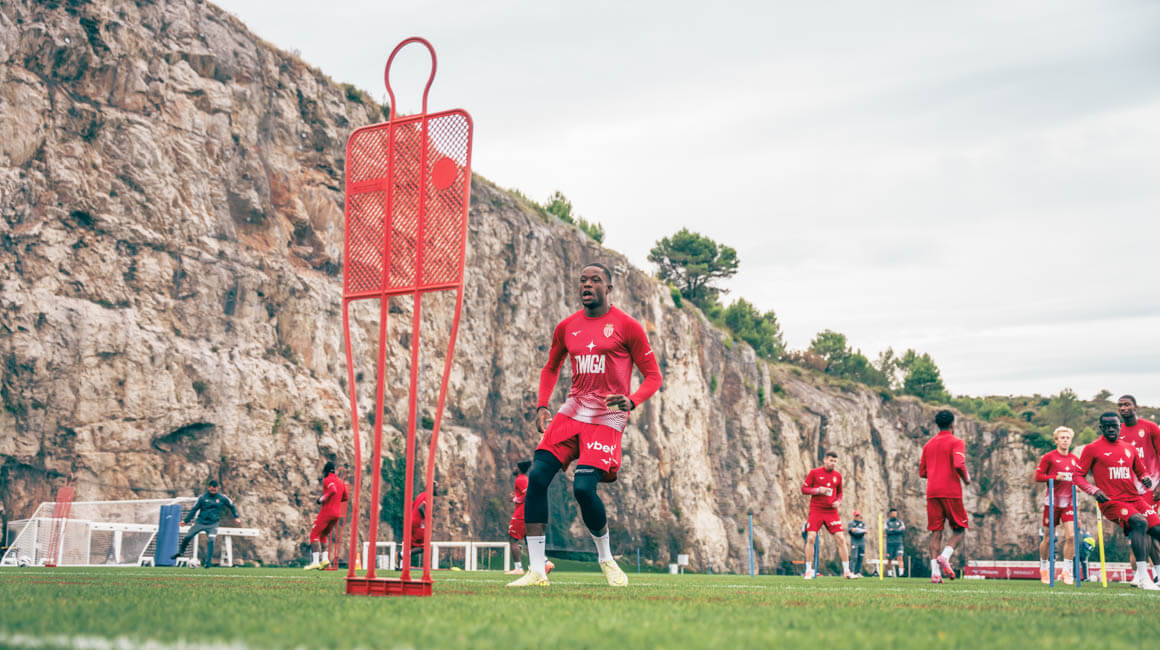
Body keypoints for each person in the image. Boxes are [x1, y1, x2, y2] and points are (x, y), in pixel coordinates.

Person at [507, 263, 662, 588]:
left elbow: (654, 377)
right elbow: (550, 368)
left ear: (609, 288)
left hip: (608, 415)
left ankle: (605, 559)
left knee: (582, 488)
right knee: (536, 477)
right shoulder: (566, 327)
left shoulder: (628, 327)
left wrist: (631, 401)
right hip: (572, 408)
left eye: (595, 280)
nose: (587, 285)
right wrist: (542, 405)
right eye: (582, 281)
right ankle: (536, 570)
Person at [1076, 412, 1160, 590]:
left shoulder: (1129, 448)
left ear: (1120, 426)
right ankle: (1144, 577)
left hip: (1134, 498)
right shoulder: (1092, 448)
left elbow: (1141, 470)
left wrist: (1144, 477)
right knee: (1139, 523)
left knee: (1157, 529)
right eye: (1107, 426)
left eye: (1114, 426)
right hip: (1111, 502)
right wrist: (1094, 490)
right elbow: (1078, 476)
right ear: (1101, 428)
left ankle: (1147, 576)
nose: (1111, 429)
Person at [920, 410, 970, 584]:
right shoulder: (957, 442)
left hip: (932, 492)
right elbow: (959, 464)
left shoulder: (928, 445)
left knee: (936, 531)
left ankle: (935, 573)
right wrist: (966, 478)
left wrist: (936, 472)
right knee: (960, 528)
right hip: (950, 490)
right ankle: (945, 555)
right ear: (952, 424)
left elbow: (923, 472)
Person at [1034, 426, 1084, 584]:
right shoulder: (1049, 457)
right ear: (1056, 440)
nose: (1065, 440)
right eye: (1062, 438)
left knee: (1071, 536)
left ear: (1071, 440)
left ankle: (1066, 571)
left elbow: (1078, 479)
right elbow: (1038, 476)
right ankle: (1044, 568)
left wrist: (1079, 486)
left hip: (1069, 503)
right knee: (1048, 539)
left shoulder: (1075, 460)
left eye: (1067, 438)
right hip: (1052, 503)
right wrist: (1055, 477)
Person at [1118, 395, 1160, 571]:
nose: (1123, 408)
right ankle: (1145, 572)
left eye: (1127, 405)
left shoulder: (1150, 428)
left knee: (1148, 527)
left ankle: (1154, 572)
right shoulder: (1117, 431)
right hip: (1128, 491)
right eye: (1120, 406)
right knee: (1139, 530)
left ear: (1136, 407)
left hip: (1151, 486)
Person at [801, 451, 857, 580]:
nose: (833, 463)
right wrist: (818, 490)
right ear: (825, 460)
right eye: (831, 460)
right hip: (816, 510)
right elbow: (804, 489)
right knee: (811, 537)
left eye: (835, 461)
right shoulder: (814, 473)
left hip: (831, 512)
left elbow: (840, 493)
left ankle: (847, 571)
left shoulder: (837, 476)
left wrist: (838, 501)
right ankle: (808, 571)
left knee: (841, 538)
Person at [171, 480, 240, 568]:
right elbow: (194, 510)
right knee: (188, 536)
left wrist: (236, 517)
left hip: (213, 524)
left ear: (218, 488)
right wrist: (185, 521)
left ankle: (207, 563)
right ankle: (181, 552)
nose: (213, 489)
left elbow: (232, 506)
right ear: (208, 487)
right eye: (211, 487)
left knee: (211, 541)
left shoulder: (222, 498)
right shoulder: (202, 497)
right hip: (200, 522)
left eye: (215, 487)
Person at [305, 461, 347, 570]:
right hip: (337, 513)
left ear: (326, 470)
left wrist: (322, 499)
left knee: (314, 534)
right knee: (323, 535)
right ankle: (324, 560)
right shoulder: (341, 482)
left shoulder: (327, 479)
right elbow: (345, 497)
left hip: (327, 511)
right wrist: (335, 500)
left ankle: (315, 562)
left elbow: (332, 490)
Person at [884, 508, 906, 577]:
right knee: (889, 559)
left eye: (895, 513)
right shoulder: (887, 522)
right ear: (890, 514)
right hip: (890, 543)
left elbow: (902, 530)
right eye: (893, 513)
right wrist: (897, 530)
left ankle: (901, 573)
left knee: (900, 557)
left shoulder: (900, 522)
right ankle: (890, 573)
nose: (894, 515)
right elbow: (887, 531)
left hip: (899, 543)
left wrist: (893, 530)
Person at [848, 511, 867, 575]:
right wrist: (860, 531)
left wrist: (857, 530)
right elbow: (853, 532)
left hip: (862, 543)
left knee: (860, 557)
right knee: (854, 557)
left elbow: (865, 531)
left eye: (858, 515)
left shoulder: (863, 523)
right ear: (854, 516)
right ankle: (851, 572)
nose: (857, 517)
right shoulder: (851, 523)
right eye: (856, 516)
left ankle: (858, 572)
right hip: (854, 542)